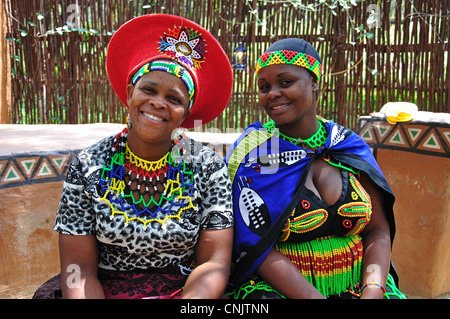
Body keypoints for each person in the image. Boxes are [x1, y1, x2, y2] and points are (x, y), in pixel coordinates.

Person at [33, 14, 234, 299]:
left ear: (187, 112)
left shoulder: (208, 168)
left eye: (174, 99)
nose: (158, 103)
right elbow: (78, 270)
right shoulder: (89, 165)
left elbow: (212, 265)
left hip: (186, 292)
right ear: (130, 93)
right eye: (148, 90)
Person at [225, 38, 405, 299]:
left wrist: (374, 288)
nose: (272, 93)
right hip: (281, 290)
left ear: (314, 82)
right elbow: (254, 244)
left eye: (286, 82)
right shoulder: (255, 153)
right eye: (264, 87)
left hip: (360, 285)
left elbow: (377, 229)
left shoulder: (346, 145)